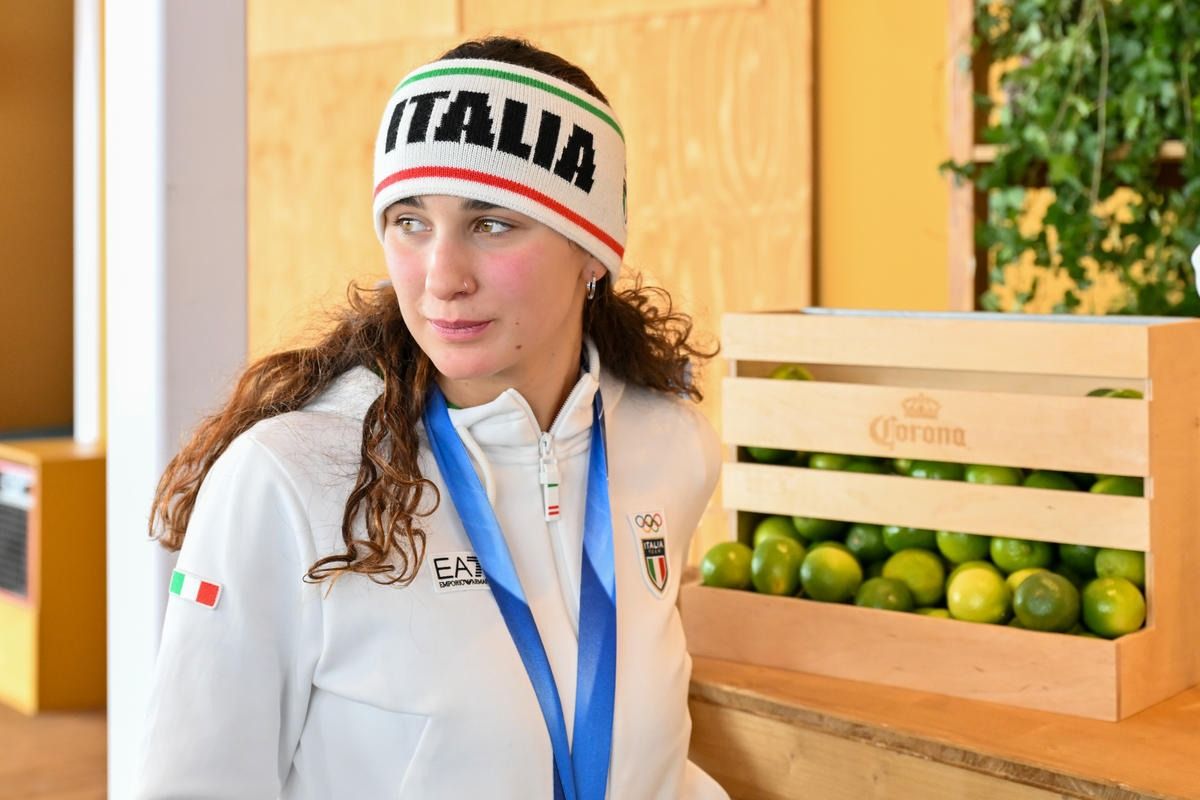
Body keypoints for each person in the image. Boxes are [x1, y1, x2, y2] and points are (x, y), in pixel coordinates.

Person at [135, 35, 727, 800]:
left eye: (492, 224)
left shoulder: (670, 447)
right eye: (410, 221)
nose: (441, 278)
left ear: (592, 250)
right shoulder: (287, 478)